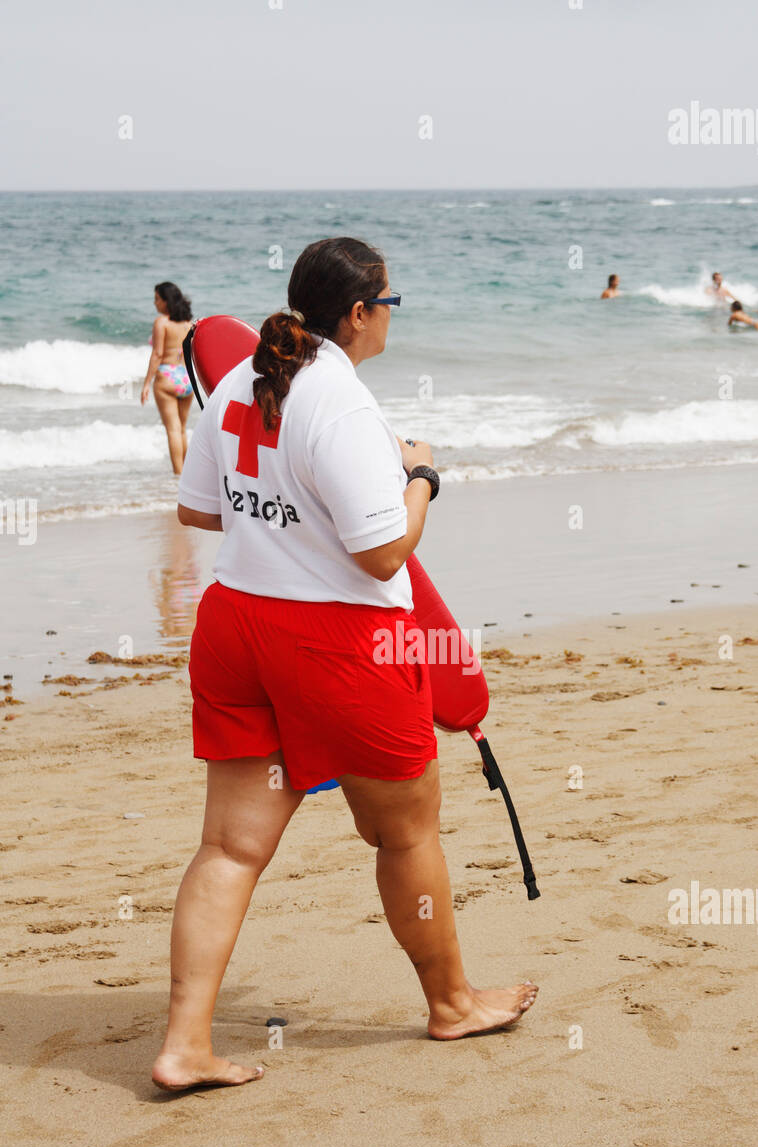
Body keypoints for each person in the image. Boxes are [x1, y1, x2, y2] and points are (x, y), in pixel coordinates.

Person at [152, 236, 538, 1092]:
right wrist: (423, 478)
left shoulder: (239, 390)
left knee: (229, 845)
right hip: (339, 645)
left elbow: (200, 512)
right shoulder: (345, 406)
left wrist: (287, 515)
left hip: (235, 625)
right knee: (405, 829)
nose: (392, 317)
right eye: (390, 303)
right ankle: (452, 1004)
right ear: (360, 314)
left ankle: (184, 1045)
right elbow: (381, 557)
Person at [141, 282, 194, 475]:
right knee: (181, 429)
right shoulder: (188, 323)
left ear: (166, 301)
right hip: (186, 378)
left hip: (167, 376)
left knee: (172, 429)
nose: (155, 303)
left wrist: (146, 383)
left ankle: (178, 476)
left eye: (157, 299)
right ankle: (189, 474)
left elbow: (157, 354)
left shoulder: (161, 322)